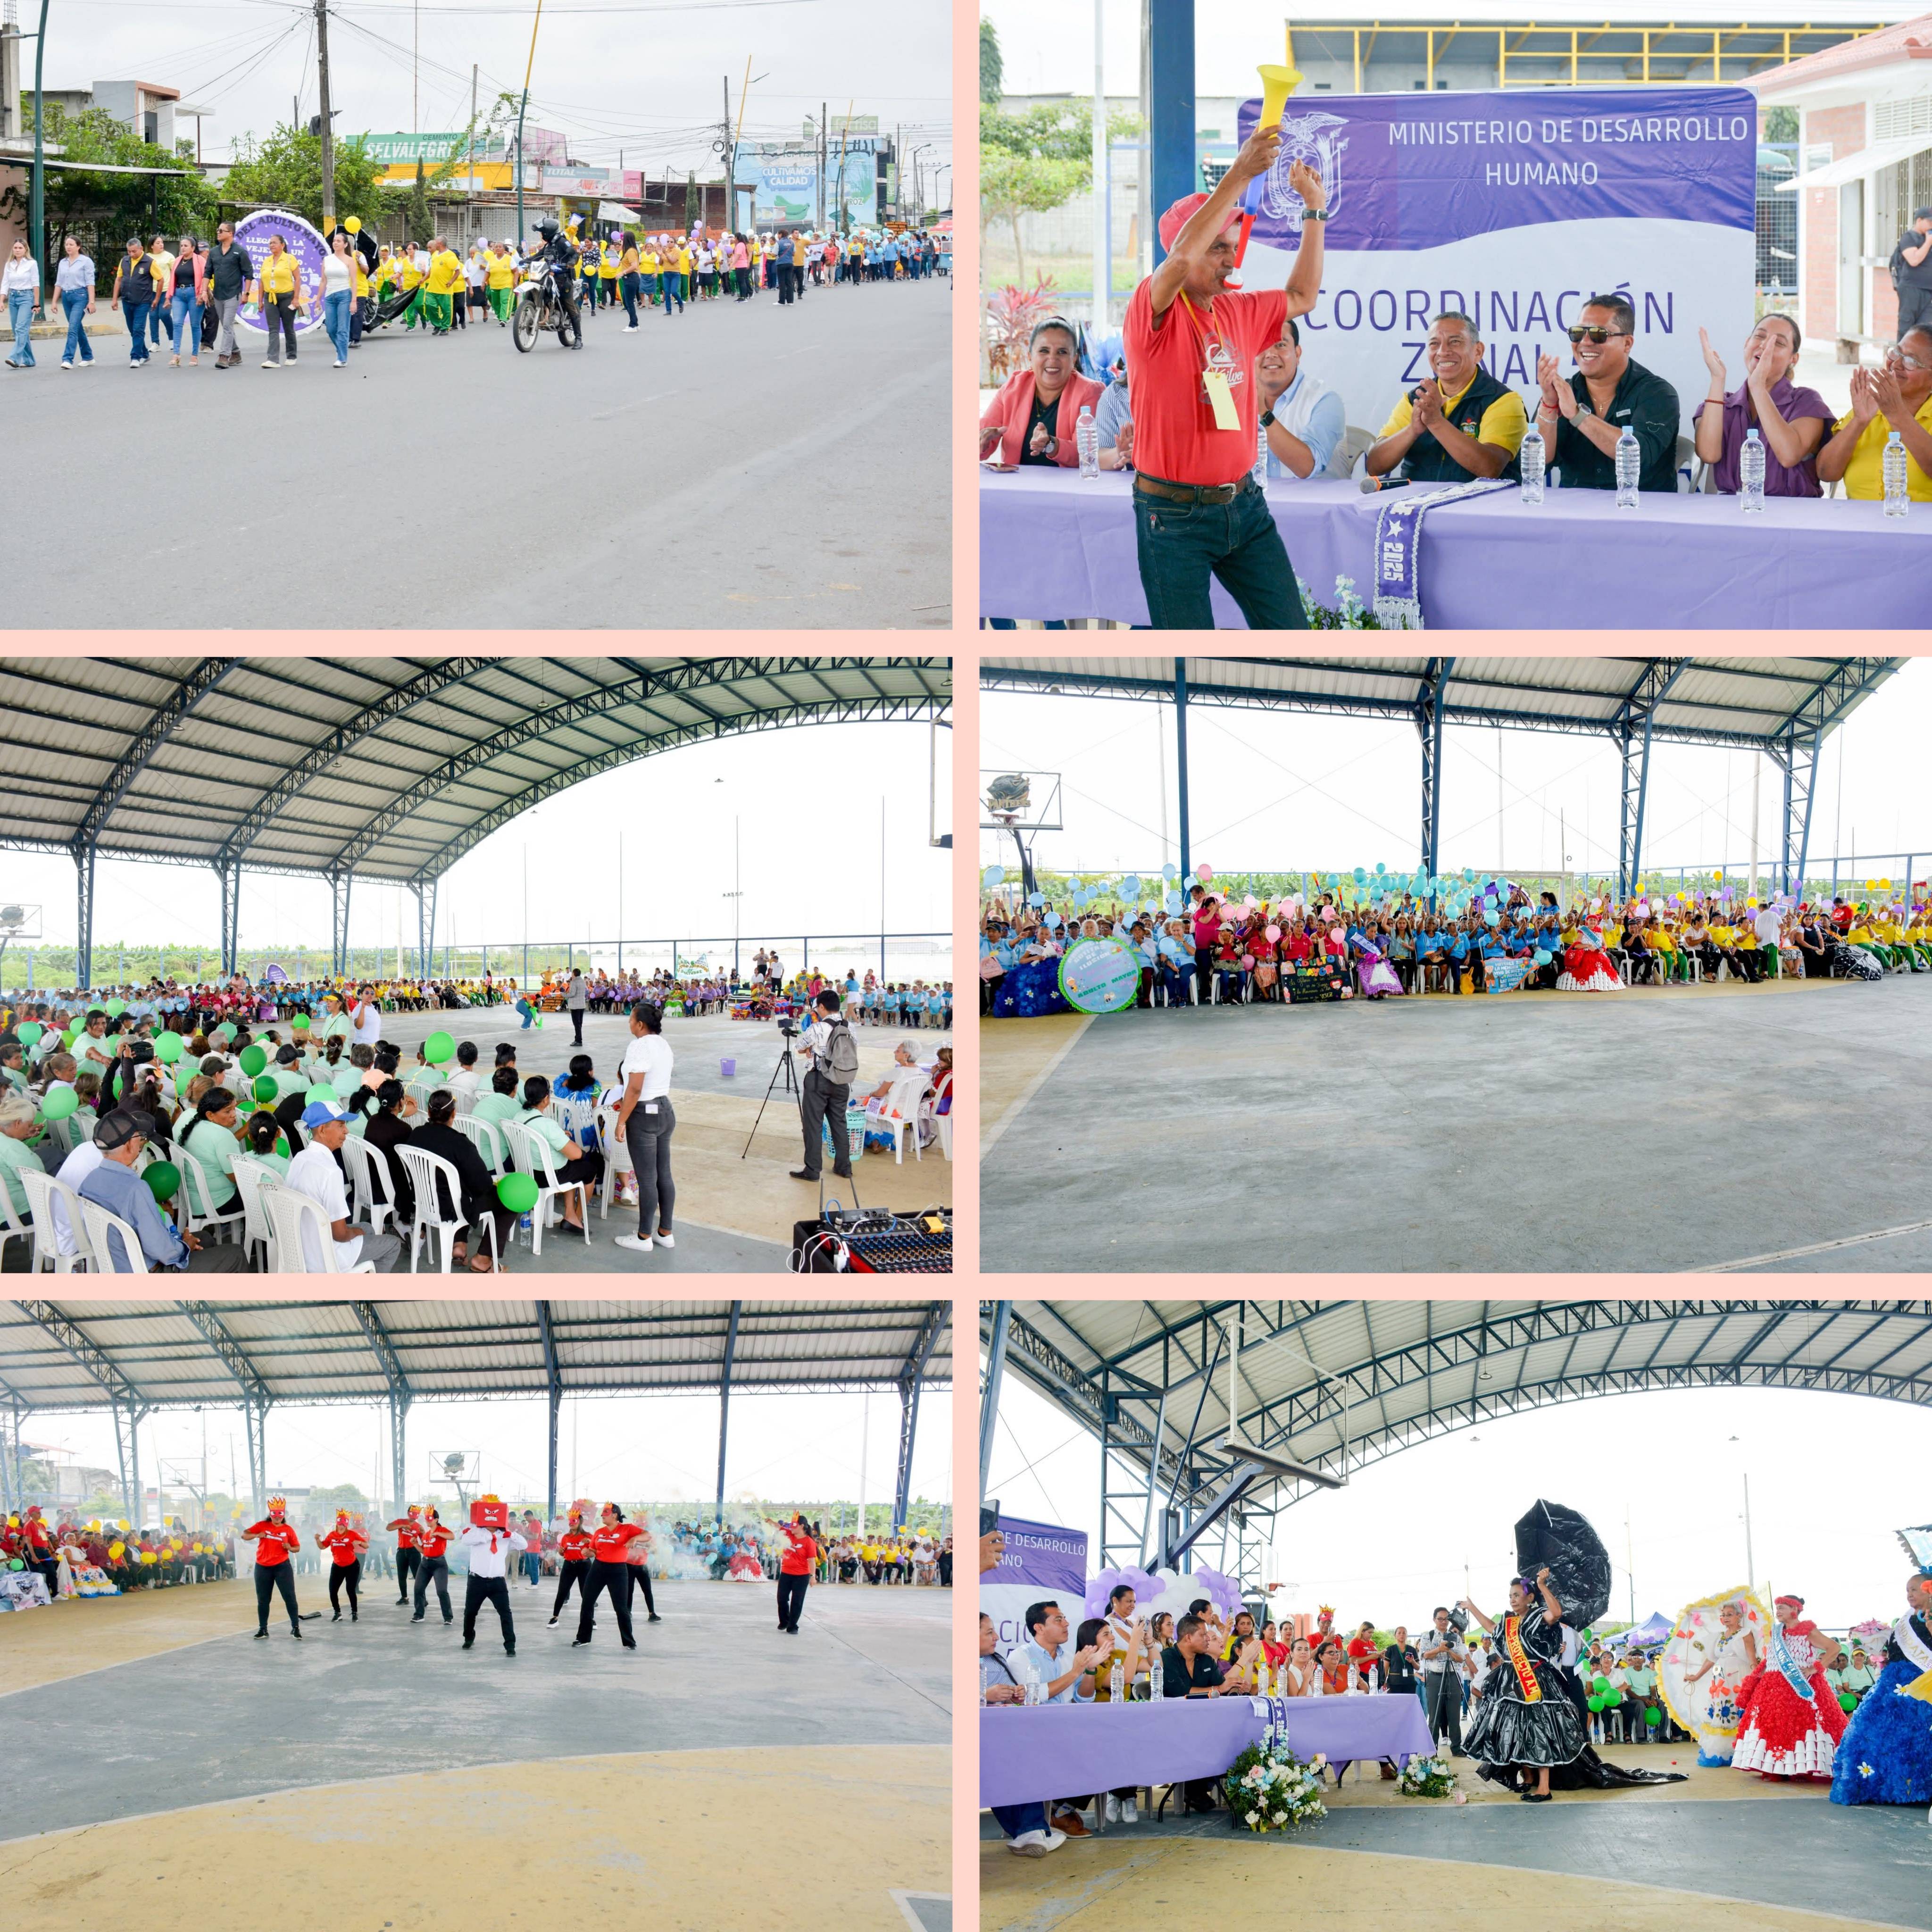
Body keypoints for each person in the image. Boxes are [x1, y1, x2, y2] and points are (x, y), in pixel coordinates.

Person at [1121, 120, 1326, 629]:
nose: (1230, 259)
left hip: (1245, 506)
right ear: (1188, 247)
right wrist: (1240, 173)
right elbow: (1178, 262)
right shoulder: (1153, 309)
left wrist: (1314, 210)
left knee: (1291, 635)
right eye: (1217, 248)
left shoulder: (1238, 309)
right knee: (1192, 656)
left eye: (1232, 246)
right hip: (1173, 517)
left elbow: (1302, 297)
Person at [1533, 292, 1682, 493]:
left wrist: (1578, 416)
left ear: (1627, 344)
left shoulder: (1657, 393)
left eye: (1598, 334)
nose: (1585, 342)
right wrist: (1549, 404)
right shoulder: (1565, 393)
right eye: (1578, 333)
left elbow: (1639, 455)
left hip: (1642, 507)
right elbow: (1538, 465)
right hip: (1576, 508)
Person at [76, 1107, 250, 1272]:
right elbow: (162, 1251)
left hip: (119, 1264)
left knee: (204, 1238)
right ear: (129, 1144)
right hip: (149, 1271)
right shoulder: (135, 1189)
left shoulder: (90, 1182)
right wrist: (185, 1246)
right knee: (236, 1254)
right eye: (139, 1137)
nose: (142, 1142)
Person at [1367, 310, 1525, 483]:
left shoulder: (1503, 400)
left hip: (1484, 500)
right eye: (1434, 344)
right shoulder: (1415, 399)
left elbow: (1489, 469)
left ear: (1478, 351)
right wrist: (1412, 430)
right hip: (1417, 500)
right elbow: (1375, 467)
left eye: (1455, 342)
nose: (1443, 352)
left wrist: (1435, 422)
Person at [1831, 1560, 1932, 1807]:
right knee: (1875, 1730)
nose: (1910, 1594)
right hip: (1892, 1682)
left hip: (1919, 1684)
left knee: (1914, 1734)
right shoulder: (1907, 1619)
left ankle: (1913, 1787)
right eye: (1907, 1590)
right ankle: (1879, 1785)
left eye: (1915, 1589)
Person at [1692, 316, 1832, 496]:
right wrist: (1717, 379)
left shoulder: (1806, 401)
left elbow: (1789, 456)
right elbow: (1708, 454)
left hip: (1793, 509)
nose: (1765, 346)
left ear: (1793, 359)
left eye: (1778, 343)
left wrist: (1758, 387)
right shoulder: (1723, 404)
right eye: (1759, 336)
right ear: (1747, 344)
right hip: (1732, 507)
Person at [1731, 1592, 1848, 1779]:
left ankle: (1800, 1766)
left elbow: (1835, 1648)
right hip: (1772, 1687)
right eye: (1777, 1608)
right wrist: (1758, 1675)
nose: (1778, 1611)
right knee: (1772, 1727)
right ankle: (1777, 1767)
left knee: (1801, 1726)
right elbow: (1771, 1658)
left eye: (1782, 1608)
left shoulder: (1808, 1630)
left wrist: (1816, 1668)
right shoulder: (1777, 1632)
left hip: (1799, 1687)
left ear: (1795, 1609)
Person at [284, 1095, 404, 1271]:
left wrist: (358, 1232)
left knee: (367, 1228)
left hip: (302, 1246)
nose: (346, 1131)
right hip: (325, 1256)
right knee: (392, 1245)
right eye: (341, 1125)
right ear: (323, 1130)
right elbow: (340, 1235)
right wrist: (356, 1233)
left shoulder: (299, 1159)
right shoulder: (330, 1171)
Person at [1817, 329, 1932, 500]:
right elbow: (1826, 473)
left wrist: (1897, 414)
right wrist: (1859, 421)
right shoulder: (1868, 405)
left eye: (1911, 361)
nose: (1896, 364)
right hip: (1858, 517)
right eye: (1897, 352)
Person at [978, 317, 1104, 468]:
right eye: (1044, 351)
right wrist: (982, 442)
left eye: (1062, 352)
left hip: (1070, 483)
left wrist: (1051, 445)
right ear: (1030, 356)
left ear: (1074, 359)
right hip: (1016, 481)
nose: (1053, 359)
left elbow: (1088, 454)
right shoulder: (1013, 387)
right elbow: (980, 442)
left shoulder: (1092, 391)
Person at [411, 1088, 514, 1271]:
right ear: (454, 1114)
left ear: (429, 1112)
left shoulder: (415, 1135)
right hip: (452, 1207)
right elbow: (483, 1184)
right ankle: (483, 1259)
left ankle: (459, 1245)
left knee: (459, 1187)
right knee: (509, 1201)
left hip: (424, 1201)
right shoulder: (461, 1143)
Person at [611, 1002, 675, 1257]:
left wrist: (622, 1121)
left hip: (644, 1117)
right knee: (664, 1175)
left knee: (647, 1178)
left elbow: (636, 1088)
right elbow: (648, 1085)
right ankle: (665, 1233)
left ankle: (643, 1237)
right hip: (665, 1110)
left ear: (640, 1025)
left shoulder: (639, 1045)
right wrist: (624, 1102)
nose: (629, 1023)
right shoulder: (663, 1044)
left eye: (631, 1019)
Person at [1252, 319, 1345, 481]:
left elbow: (1307, 468)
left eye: (1280, 345)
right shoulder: (1234, 397)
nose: (1271, 354)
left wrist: (1263, 413)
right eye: (1261, 345)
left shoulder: (1325, 400)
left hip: (1317, 497)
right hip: (1257, 497)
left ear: (1297, 353)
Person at [1680, 1597, 1759, 1766]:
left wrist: (1757, 1677)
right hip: (1720, 1681)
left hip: (1739, 1678)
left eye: (1730, 1614)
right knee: (1721, 1711)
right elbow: (1711, 1659)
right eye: (1723, 1615)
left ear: (1739, 1616)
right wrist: (1696, 1676)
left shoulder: (1745, 1633)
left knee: (1736, 1710)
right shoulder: (1719, 1636)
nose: (1726, 1618)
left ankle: (1741, 1752)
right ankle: (1723, 1752)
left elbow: (1752, 1658)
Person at [791, 989, 858, 1185]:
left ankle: (812, 1170)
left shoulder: (817, 1027)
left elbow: (798, 1048)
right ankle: (844, 1167)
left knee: (813, 1125)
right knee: (839, 1123)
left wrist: (810, 1050)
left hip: (818, 1080)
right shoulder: (850, 1027)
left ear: (821, 1007)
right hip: (842, 1080)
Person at [457, 1503, 525, 1656]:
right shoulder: (477, 1532)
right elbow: (465, 1540)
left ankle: (510, 1645)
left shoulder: (506, 1535)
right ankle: (469, 1637)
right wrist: (490, 1536)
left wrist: (511, 1535)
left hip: (498, 1582)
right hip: (477, 1581)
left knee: (505, 1613)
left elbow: (523, 1544)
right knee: (470, 1612)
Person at [572, 1503, 642, 1649]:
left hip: (618, 1571)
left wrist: (635, 1539)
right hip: (598, 1568)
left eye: (606, 1512)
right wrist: (587, 1553)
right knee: (587, 1602)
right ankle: (583, 1638)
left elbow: (647, 1535)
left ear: (615, 1515)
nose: (602, 1515)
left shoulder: (627, 1528)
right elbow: (593, 1551)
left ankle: (629, 1641)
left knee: (621, 1608)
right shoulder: (599, 1532)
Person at [242, 1497, 309, 1639]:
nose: (277, 1517)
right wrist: (257, 1535)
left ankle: (295, 1627)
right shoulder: (262, 1525)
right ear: (270, 1514)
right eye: (274, 1514)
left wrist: (290, 1547)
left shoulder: (288, 1530)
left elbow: (297, 1548)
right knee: (263, 1600)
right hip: (262, 1567)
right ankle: (263, 1629)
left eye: (280, 1514)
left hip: (282, 1567)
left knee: (290, 1597)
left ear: (284, 1515)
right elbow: (244, 1535)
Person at [1419, 1606, 1471, 1755]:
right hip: (1434, 1678)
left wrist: (1449, 1651)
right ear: (1434, 1619)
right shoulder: (1427, 1636)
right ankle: (1432, 1749)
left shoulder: (1456, 1637)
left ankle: (1456, 1748)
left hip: (1453, 1677)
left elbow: (1461, 1659)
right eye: (1440, 1619)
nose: (1444, 1622)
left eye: (1446, 1619)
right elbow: (1424, 1655)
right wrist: (1439, 1649)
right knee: (1434, 1716)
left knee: (1454, 1715)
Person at [205, 220, 252, 369]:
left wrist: (246, 293)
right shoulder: (214, 252)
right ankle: (236, 353)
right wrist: (204, 292)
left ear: (230, 233)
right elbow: (207, 273)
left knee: (227, 324)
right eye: (218, 230)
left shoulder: (240, 252)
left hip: (234, 294)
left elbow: (249, 275)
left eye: (221, 231)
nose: (218, 233)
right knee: (227, 326)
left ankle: (224, 356)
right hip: (218, 294)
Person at [256, 231, 304, 368]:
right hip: (270, 298)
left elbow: (298, 279)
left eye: (274, 243)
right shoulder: (267, 261)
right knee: (273, 329)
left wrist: (296, 298)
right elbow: (262, 281)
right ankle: (272, 359)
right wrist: (260, 301)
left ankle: (291, 356)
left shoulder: (290, 259)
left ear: (282, 245)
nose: (271, 245)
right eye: (270, 243)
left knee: (288, 327)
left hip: (287, 297)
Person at [111, 237, 155, 367]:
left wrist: (157, 298)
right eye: (129, 251)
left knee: (138, 329)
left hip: (143, 301)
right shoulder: (124, 261)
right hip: (127, 300)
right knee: (133, 330)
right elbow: (119, 279)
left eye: (134, 251)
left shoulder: (149, 262)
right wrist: (114, 299)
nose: (131, 254)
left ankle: (135, 357)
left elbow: (161, 279)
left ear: (141, 249)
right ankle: (145, 354)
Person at [54, 234, 96, 369]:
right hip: (66, 297)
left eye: (71, 245)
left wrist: (92, 302)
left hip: (80, 296)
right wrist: (54, 302)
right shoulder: (63, 262)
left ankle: (68, 359)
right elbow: (59, 283)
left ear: (78, 247)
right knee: (77, 327)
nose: (68, 247)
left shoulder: (86, 261)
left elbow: (90, 282)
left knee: (73, 327)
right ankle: (88, 357)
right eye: (67, 244)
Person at [317, 1507, 367, 1622]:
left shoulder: (352, 1534)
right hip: (337, 1566)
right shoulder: (332, 1535)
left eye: (345, 1523)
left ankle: (354, 1612)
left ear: (347, 1524)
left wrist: (360, 1542)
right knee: (333, 1591)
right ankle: (337, 1612)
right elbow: (323, 1546)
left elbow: (366, 1545)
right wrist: (318, 1540)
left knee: (350, 1590)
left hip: (352, 1566)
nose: (342, 1526)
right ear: (337, 1523)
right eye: (340, 1523)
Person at [165, 234, 207, 369]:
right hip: (179, 294)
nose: (183, 248)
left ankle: (195, 355)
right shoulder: (178, 260)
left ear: (193, 248)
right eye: (181, 246)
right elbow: (172, 279)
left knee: (195, 325)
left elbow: (206, 277)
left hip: (194, 294)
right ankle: (176, 355)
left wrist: (202, 294)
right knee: (177, 323)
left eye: (186, 246)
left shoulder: (200, 260)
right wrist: (168, 297)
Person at [1891, 207, 1932, 339]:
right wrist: (1928, 243)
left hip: (1928, 291)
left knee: (1925, 330)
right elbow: (1914, 260)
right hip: (1911, 289)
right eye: (1930, 222)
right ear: (1919, 220)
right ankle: (1901, 353)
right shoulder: (1909, 238)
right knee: (1907, 328)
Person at [319, 228, 357, 368]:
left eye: (339, 241)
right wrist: (318, 299)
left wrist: (354, 301)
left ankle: (342, 358)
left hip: (344, 295)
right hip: (330, 297)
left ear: (345, 244)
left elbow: (354, 281)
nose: (335, 243)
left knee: (342, 329)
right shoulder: (327, 260)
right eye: (334, 241)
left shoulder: (350, 261)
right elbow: (323, 281)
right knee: (331, 329)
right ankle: (341, 348)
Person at [772, 1512, 816, 1634]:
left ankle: (793, 1626)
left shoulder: (809, 1542)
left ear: (802, 1526)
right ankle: (784, 1621)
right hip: (786, 1573)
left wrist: (813, 1576)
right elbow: (779, 1527)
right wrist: (770, 1521)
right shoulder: (789, 1534)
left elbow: (812, 1561)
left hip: (801, 1576)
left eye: (794, 1525)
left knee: (797, 1601)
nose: (791, 1527)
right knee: (782, 1598)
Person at [548, 1507, 593, 1625]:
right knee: (562, 1592)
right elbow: (563, 1553)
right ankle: (555, 1617)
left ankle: (590, 1619)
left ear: (580, 1522)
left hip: (584, 1566)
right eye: (570, 1521)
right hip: (569, 1566)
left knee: (586, 1593)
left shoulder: (588, 1536)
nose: (571, 1523)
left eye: (574, 1521)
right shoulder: (566, 1537)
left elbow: (596, 1549)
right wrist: (561, 1552)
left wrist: (589, 1543)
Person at [412, 1506, 456, 1623]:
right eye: (426, 1518)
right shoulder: (426, 1535)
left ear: (436, 1520)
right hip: (425, 1564)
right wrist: (416, 1544)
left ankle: (448, 1618)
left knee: (441, 1591)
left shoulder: (442, 1530)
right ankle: (419, 1615)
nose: (427, 1520)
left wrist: (437, 1534)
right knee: (418, 1589)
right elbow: (424, 1551)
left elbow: (452, 1537)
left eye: (430, 1518)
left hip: (439, 1564)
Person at [3, 237, 40, 370]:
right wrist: (2, 300)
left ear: (25, 250)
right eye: (16, 248)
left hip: (27, 298)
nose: (18, 250)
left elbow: (36, 284)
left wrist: (36, 304)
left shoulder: (32, 264)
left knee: (21, 328)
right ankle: (29, 360)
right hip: (13, 298)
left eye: (20, 248)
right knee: (17, 330)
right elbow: (5, 283)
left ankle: (15, 357)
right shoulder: (9, 264)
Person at [387, 1504, 423, 1604]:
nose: (413, 1517)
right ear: (408, 1513)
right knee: (402, 1576)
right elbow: (388, 1528)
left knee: (418, 1576)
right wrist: (402, 1526)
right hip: (402, 1552)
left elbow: (424, 1541)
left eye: (416, 1515)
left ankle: (422, 1598)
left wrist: (424, 1533)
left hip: (414, 1552)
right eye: (412, 1514)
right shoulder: (400, 1521)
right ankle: (404, 1597)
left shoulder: (419, 1527)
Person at [566, 967, 588, 1045]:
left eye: (572, 973)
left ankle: (579, 1041)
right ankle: (578, 1039)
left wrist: (563, 995)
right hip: (582, 1005)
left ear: (574, 974)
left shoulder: (574, 982)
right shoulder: (583, 981)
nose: (571, 975)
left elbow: (572, 994)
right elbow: (586, 991)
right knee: (579, 1023)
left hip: (575, 1006)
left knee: (576, 1024)